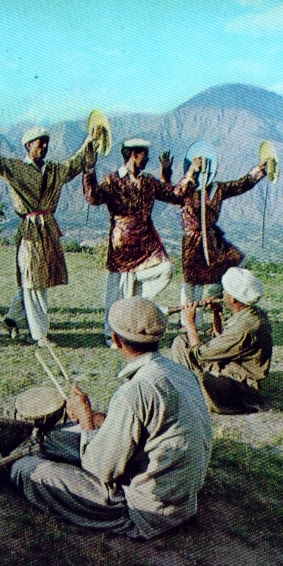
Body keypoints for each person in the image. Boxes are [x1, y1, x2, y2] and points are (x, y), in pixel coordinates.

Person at [8, 297, 212, 539]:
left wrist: (85, 420)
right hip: (183, 497)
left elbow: (99, 469)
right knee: (50, 440)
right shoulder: (180, 371)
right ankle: (32, 444)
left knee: (25, 469)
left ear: (116, 340)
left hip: (148, 509)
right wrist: (94, 418)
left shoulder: (135, 391)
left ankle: (17, 456)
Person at [0, 104, 93, 346]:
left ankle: (13, 318)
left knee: (37, 278)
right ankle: (40, 334)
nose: (45, 147)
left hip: (47, 229)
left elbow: (76, 162)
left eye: (47, 142)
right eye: (40, 143)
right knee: (34, 280)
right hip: (30, 232)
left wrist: (91, 140)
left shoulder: (55, 170)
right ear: (28, 146)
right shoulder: (15, 169)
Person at [83, 138, 200, 345]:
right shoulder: (113, 180)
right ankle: (112, 334)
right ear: (134, 154)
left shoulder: (148, 181)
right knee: (117, 290)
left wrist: (190, 173)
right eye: (144, 154)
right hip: (122, 245)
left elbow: (174, 195)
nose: (147, 159)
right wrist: (90, 169)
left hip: (146, 244)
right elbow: (93, 198)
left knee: (165, 270)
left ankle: (134, 302)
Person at [174, 158, 268, 328]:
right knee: (192, 281)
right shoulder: (187, 189)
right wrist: (191, 172)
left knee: (231, 264)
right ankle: (188, 321)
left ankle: (219, 303)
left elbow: (241, 184)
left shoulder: (218, 189)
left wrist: (258, 170)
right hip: (192, 241)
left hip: (212, 239)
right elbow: (175, 192)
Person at [170, 266, 273, 414]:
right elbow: (223, 341)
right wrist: (216, 312)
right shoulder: (252, 314)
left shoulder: (246, 326)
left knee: (180, 343)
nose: (223, 294)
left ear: (233, 298)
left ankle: (185, 395)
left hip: (237, 390)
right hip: (234, 375)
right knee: (186, 343)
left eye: (225, 291)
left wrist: (190, 323)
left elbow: (201, 354)